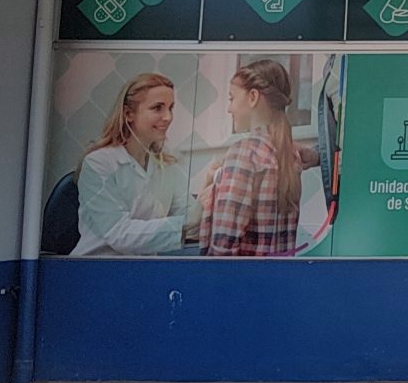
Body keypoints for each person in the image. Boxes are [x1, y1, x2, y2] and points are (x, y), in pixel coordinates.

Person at [73, 71, 196, 256]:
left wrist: (212, 192)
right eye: (158, 108)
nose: (168, 117)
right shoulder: (98, 164)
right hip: (96, 267)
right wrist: (189, 222)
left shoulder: (166, 166)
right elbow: (119, 234)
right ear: (129, 114)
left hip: (142, 268)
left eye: (170, 108)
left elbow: (191, 216)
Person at [196, 58, 303, 257]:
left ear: (253, 97)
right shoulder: (292, 156)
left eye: (232, 98)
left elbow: (223, 247)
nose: (229, 108)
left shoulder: (244, 153)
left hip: (239, 276)